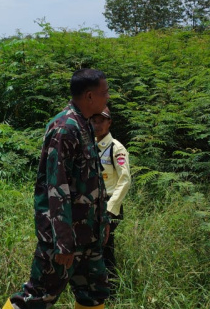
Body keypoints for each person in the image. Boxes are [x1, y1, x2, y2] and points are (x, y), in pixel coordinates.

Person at [4, 68, 112, 309]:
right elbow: (56, 187)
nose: (108, 97)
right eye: (105, 92)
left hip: (88, 233)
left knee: (94, 293)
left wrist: (102, 220)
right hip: (65, 238)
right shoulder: (65, 128)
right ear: (90, 96)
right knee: (36, 298)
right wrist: (63, 242)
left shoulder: (84, 124)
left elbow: (94, 182)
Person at [89, 107, 131, 296]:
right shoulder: (89, 145)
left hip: (108, 206)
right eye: (94, 121)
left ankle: (111, 291)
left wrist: (111, 208)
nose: (97, 125)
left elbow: (125, 180)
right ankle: (94, 287)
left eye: (101, 121)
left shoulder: (116, 148)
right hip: (91, 205)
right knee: (93, 248)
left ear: (109, 123)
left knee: (105, 249)